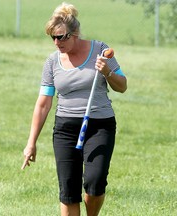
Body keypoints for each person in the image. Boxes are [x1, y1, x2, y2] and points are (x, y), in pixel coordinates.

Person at [21, 2, 127, 216]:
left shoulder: (100, 50)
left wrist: (107, 71)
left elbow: (122, 85)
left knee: (94, 182)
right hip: (66, 129)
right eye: (53, 37)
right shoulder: (52, 62)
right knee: (68, 189)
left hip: (99, 126)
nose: (57, 42)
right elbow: (43, 103)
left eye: (62, 37)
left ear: (75, 33)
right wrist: (31, 143)